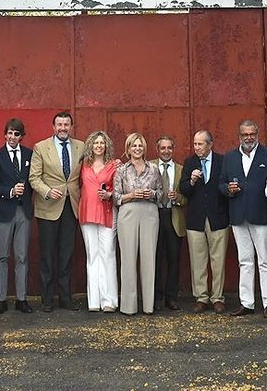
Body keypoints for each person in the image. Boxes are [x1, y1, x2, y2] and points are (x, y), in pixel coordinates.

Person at [30, 111, 86, 311]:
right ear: (53, 127)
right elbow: (34, 177)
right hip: (48, 208)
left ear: (71, 126)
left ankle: (65, 298)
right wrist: (47, 191)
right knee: (47, 255)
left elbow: (94, 167)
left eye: (66, 125)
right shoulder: (41, 147)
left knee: (66, 254)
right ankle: (46, 299)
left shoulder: (81, 147)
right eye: (59, 125)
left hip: (71, 207)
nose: (63, 128)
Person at [223, 119, 267, 317]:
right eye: (245, 134)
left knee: (265, 260)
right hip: (238, 216)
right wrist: (228, 189)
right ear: (239, 136)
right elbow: (221, 184)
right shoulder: (229, 158)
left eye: (252, 134)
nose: (248, 138)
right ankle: (246, 303)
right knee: (244, 261)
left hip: (262, 215)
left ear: (257, 135)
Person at [0, 118, 35, 314]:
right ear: (5, 134)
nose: (13, 137)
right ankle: (1, 299)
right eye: (10, 133)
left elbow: (35, 180)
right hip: (4, 211)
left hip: (24, 210)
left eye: (17, 134)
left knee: (22, 256)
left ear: (21, 136)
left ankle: (21, 299)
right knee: (2, 256)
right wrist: (10, 191)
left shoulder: (29, 154)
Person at [113, 132, 163, 315]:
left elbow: (161, 193)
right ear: (128, 148)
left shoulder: (154, 168)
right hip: (128, 213)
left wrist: (152, 194)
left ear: (144, 148)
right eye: (134, 145)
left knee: (149, 259)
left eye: (140, 145)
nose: (137, 148)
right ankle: (128, 306)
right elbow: (115, 197)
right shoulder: (121, 170)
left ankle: (148, 305)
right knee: (128, 259)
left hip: (149, 213)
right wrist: (131, 195)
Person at [182, 129, 230, 312]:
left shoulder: (222, 161)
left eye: (200, 144)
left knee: (218, 261)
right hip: (196, 220)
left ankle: (218, 297)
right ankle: (201, 297)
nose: (197, 147)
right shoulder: (189, 162)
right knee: (198, 260)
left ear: (210, 144)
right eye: (195, 144)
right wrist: (192, 181)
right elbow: (184, 189)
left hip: (217, 218)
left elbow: (224, 188)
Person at [78, 130, 121, 312]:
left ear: (107, 146)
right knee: (92, 256)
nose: (99, 146)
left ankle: (109, 300)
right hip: (87, 213)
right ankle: (94, 301)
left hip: (107, 212)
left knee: (108, 254)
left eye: (102, 143)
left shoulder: (115, 165)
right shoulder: (83, 165)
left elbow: (120, 188)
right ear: (90, 145)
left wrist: (109, 194)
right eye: (96, 143)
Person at [155, 135, 187, 311]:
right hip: (155, 216)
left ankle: (171, 297)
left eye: (169, 148)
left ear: (173, 149)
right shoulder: (150, 166)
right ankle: (157, 297)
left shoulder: (181, 169)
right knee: (156, 258)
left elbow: (188, 197)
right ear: (157, 150)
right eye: (162, 148)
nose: (166, 151)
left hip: (174, 216)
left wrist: (178, 198)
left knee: (174, 259)